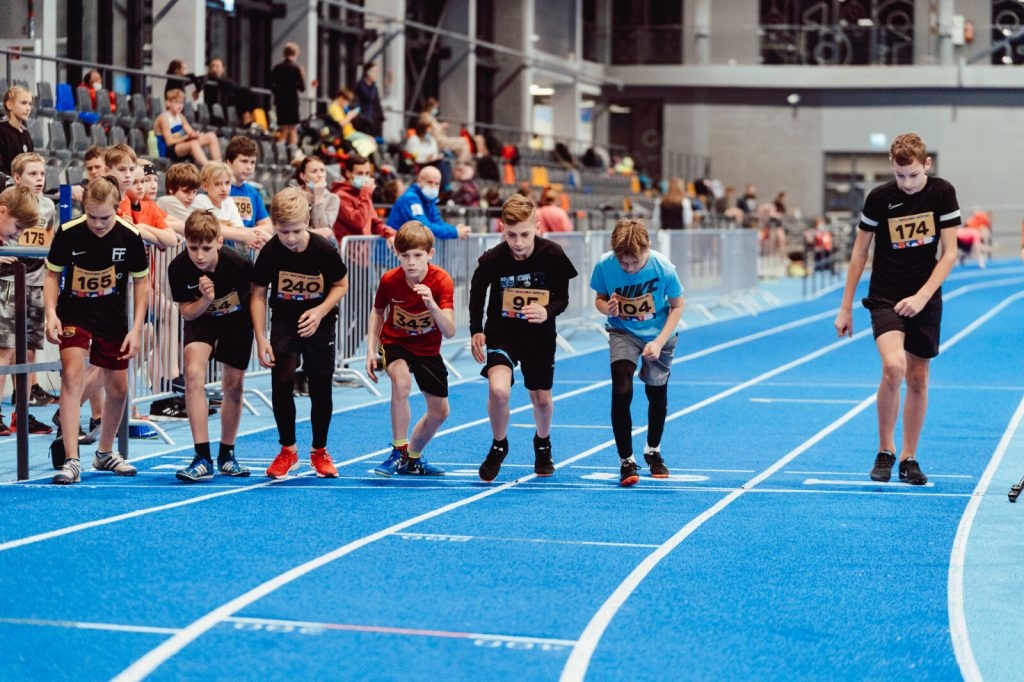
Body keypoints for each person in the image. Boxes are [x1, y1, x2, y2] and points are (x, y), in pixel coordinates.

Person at [834, 132, 960, 486]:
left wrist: (922, 296)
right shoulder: (879, 199)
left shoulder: (942, 193)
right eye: (899, 175)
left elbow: (949, 253)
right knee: (893, 366)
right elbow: (860, 253)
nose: (906, 183)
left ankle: (909, 457)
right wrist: (846, 308)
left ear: (927, 165)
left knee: (918, 377)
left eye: (914, 175)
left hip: (925, 294)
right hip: (886, 295)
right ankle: (885, 450)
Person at [45, 177, 150, 485]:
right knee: (72, 375)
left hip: (112, 317)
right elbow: (52, 275)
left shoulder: (130, 236)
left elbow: (142, 282)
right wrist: (51, 313)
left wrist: (137, 328)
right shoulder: (68, 233)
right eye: (92, 217)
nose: (98, 224)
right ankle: (71, 459)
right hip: (74, 314)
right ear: (84, 210)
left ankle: (104, 453)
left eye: (105, 217)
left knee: (118, 388)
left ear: (117, 209)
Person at [470, 194, 578, 482]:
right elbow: (477, 293)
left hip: (539, 337)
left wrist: (546, 311)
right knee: (499, 391)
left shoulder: (553, 255)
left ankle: (542, 444)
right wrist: (475, 330)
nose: (518, 242)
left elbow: (563, 298)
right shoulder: (493, 259)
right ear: (502, 229)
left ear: (538, 228)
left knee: (540, 398)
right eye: (512, 235)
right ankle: (498, 445)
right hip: (502, 334)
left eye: (525, 235)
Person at [251, 187, 348, 479]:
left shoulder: (324, 250)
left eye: (295, 231)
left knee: (320, 385)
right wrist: (260, 337)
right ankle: (287, 450)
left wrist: (319, 312)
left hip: (319, 323)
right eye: (283, 232)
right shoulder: (271, 251)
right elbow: (257, 293)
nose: (290, 239)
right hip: (284, 322)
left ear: (306, 221)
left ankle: (319, 451)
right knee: (281, 381)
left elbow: (341, 285)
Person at [590, 219, 685, 487]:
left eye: (636, 262)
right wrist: (605, 308)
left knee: (656, 393)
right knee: (621, 388)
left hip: (659, 333)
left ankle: (652, 449)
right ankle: (626, 459)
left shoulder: (663, 268)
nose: (630, 268)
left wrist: (659, 341)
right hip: (623, 332)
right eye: (625, 264)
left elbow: (678, 306)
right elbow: (599, 298)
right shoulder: (605, 264)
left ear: (647, 247)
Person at [170, 210, 254, 481]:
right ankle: (202, 456)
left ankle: (227, 453)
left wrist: (262, 339)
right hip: (201, 319)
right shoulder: (179, 267)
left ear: (219, 241)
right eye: (193, 248)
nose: (200, 255)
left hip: (237, 323)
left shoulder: (240, 265)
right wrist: (206, 300)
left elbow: (255, 302)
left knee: (233, 385)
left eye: (206, 248)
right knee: (193, 374)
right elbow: (187, 312)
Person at [367, 220, 455, 476]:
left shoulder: (441, 281)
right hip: (397, 343)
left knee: (440, 413)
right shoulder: (390, 280)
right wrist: (371, 349)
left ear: (430, 254)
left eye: (418, 255)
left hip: (428, 349)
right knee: (401, 383)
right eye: (405, 255)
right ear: (397, 254)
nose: (411, 262)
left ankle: (413, 457)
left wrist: (432, 305)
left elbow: (449, 330)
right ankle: (398, 450)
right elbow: (377, 311)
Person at [2, 154, 60, 430]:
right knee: (5, 349)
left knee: (29, 350)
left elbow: (49, 236)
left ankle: (21, 414)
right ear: (16, 177)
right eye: (32, 174)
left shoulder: (48, 206)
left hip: (36, 280)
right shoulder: (8, 203)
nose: (39, 179)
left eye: (42, 174)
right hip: (8, 281)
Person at [0, 184, 41, 435]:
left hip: (23, 287)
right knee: (5, 352)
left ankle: (22, 413)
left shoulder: (7, 236)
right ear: (2, 211)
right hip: (5, 289)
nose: (18, 235)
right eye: (17, 227)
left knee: (23, 352)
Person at [385, 166, 470, 240]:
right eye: (430, 182)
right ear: (419, 181)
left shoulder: (429, 200)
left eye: (437, 184)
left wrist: (455, 229)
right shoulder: (410, 198)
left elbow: (437, 222)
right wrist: (454, 232)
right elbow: (422, 227)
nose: (433, 187)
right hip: (394, 251)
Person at [153, 89, 221, 167]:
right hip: (168, 150)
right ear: (168, 103)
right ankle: (208, 168)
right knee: (193, 144)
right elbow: (169, 142)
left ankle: (219, 166)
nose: (180, 105)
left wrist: (196, 135)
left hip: (181, 146)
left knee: (211, 135)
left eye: (181, 102)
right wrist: (187, 137)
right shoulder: (164, 118)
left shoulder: (181, 116)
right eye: (176, 102)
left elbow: (190, 132)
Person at [224, 136, 274, 236]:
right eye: (244, 161)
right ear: (229, 162)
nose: (249, 167)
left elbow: (268, 227)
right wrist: (244, 234)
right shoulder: (218, 189)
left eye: (252, 162)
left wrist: (245, 233)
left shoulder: (253, 192)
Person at [294, 156, 338, 243]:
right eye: (314, 171)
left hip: (319, 245)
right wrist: (314, 232)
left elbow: (322, 227)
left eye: (322, 170)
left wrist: (318, 198)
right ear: (303, 176)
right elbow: (291, 228)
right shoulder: (293, 195)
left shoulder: (333, 198)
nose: (320, 175)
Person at [269, 42, 306, 146]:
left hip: (280, 102)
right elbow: (302, 88)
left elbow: (271, 85)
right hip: (292, 102)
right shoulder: (296, 68)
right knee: (293, 128)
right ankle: (292, 153)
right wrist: (302, 76)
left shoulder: (277, 68)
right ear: (295, 53)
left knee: (283, 128)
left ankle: (279, 152)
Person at [326, 88, 378, 160]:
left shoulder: (340, 107)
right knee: (371, 140)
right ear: (341, 98)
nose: (347, 104)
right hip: (346, 133)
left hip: (350, 131)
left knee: (371, 140)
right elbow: (340, 123)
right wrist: (350, 116)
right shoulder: (335, 107)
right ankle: (365, 160)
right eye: (346, 101)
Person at [418, 97, 471, 162]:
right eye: (435, 108)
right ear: (430, 106)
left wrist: (441, 127)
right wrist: (441, 126)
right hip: (439, 141)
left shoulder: (430, 116)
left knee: (462, 146)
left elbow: (434, 127)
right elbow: (429, 128)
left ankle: (461, 164)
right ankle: (461, 165)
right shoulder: (425, 116)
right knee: (463, 141)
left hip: (441, 138)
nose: (436, 110)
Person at [203, 57, 250, 126]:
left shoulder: (225, 81)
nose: (214, 69)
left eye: (217, 66)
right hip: (213, 107)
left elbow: (235, 87)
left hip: (226, 105)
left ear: (223, 69)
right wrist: (197, 90)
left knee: (244, 91)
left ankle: (246, 115)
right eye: (212, 66)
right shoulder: (207, 79)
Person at [0, 86, 33, 176]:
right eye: (23, 103)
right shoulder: (2, 131)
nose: (28, 108)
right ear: (9, 105)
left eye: (30, 104)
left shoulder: (26, 134)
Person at [353, 62, 384, 139]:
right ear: (367, 72)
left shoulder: (374, 86)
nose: (375, 74)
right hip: (364, 118)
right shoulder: (361, 85)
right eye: (373, 71)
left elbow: (377, 102)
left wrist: (380, 116)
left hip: (374, 118)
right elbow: (369, 97)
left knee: (375, 139)